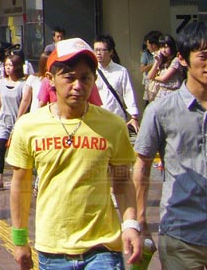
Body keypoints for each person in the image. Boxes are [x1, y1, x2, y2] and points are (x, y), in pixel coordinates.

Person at [8, 38, 141, 270]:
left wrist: (130, 224)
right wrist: (20, 241)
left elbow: (122, 181)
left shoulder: (113, 126)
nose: (78, 85)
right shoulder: (28, 126)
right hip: (52, 251)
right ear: (50, 80)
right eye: (69, 77)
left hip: (103, 249)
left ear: (94, 80)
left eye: (85, 78)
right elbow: (20, 186)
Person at [134, 21, 207, 269]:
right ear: (183, 59)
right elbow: (142, 166)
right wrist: (140, 221)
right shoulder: (160, 110)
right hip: (181, 233)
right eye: (204, 56)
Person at [0, 50, 27, 190]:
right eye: (6, 65)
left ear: (17, 66)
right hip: (3, 121)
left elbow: (24, 104)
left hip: (17, 122)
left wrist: (19, 122)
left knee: (17, 152)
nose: (7, 68)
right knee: (0, 148)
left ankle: (19, 179)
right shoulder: (2, 83)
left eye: (10, 65)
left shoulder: (23, 85)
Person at [93, 35, 140, 133]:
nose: (98, 53)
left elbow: (128, 93)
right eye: (96, 50)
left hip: (116, 119)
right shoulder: (91, 70)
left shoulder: (121, 71)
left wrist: (134, 117)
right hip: (96, 119)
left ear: (111, 52)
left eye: (102, 50)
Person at [147, 34, 184, 101]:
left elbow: (164, 78)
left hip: (173, 94)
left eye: (166, 47)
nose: (163, 50)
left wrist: (154, 78)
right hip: (161, 94)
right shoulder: (162, 60)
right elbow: (149, 76)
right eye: (161, 47)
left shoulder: (176, 60)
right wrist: (157, 62)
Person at [17, 49, 51, 117]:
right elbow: (25, 100)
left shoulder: (56, 80)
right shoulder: (33, 78)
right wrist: (18, 118)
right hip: (35, 116)